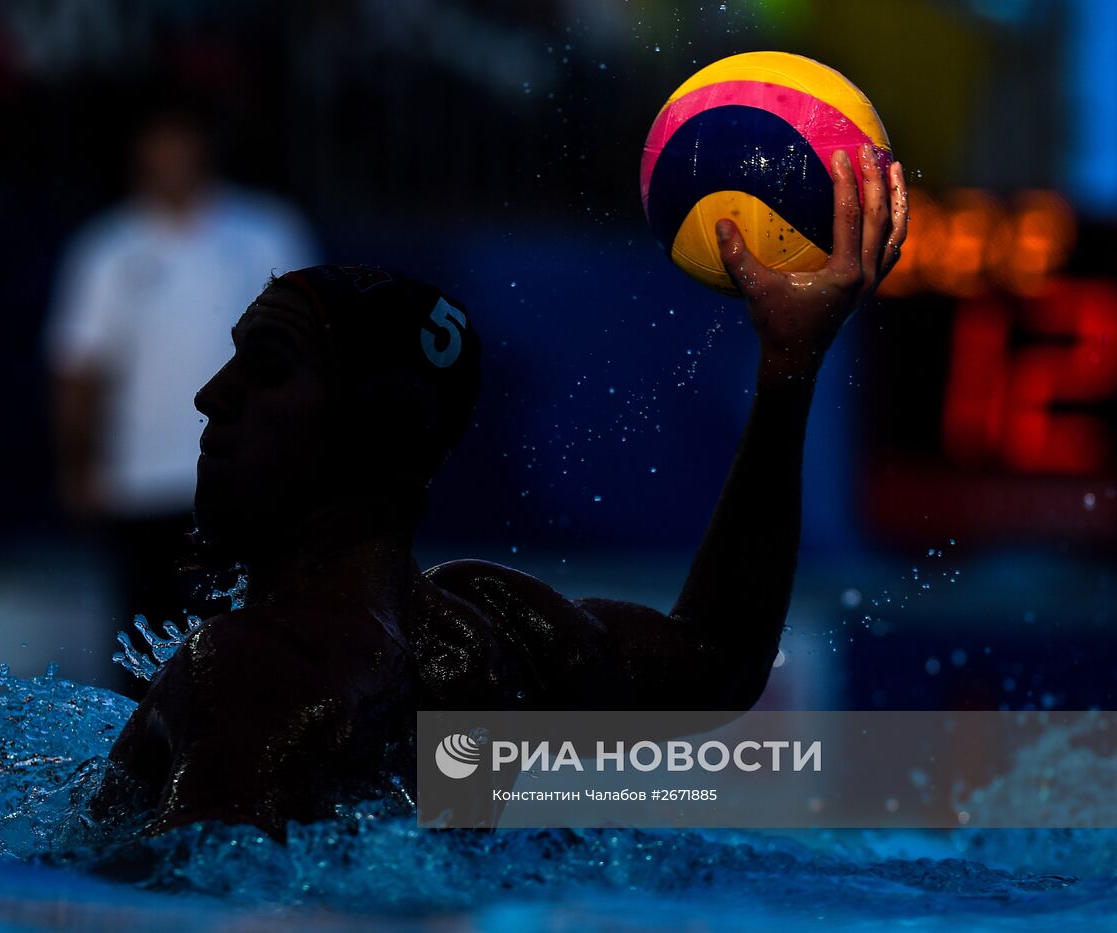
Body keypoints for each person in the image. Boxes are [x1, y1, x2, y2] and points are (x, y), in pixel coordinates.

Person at [96, 147, 909, 839]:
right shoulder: (494, 633)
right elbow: (718, 663)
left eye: (267, 367)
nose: (212, 394)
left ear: (367, 436)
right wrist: (790, 366)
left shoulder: (251, 671)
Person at [48, 94, 319, 652]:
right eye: (159, 146)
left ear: (204, 149)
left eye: (182, 144)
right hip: (141, 484)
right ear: (140, 155)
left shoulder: (265, 233)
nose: (172, 158)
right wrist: (79, 463)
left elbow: (307, 351)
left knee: (246, 644)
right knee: (144, 652)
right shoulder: (107, 250)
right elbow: (79, 369)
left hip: (246, 478)